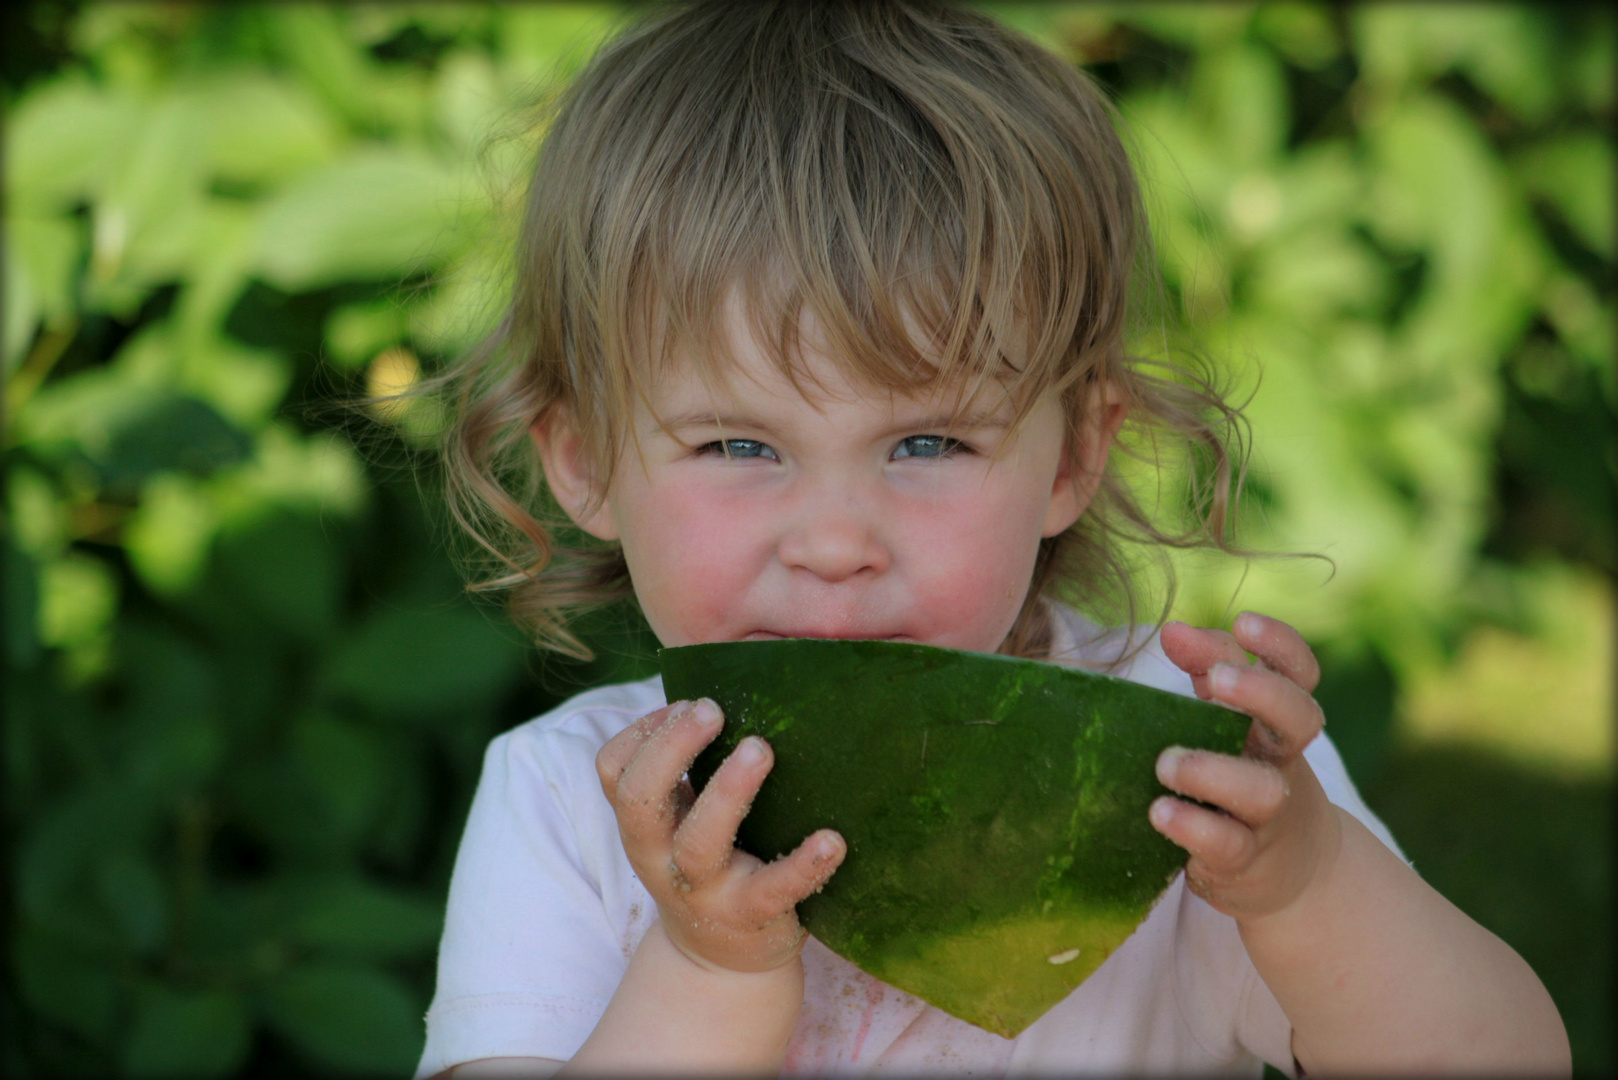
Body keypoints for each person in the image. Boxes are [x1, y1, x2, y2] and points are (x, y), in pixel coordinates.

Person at [415, 1, 1569, 1075]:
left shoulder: (1189, 769)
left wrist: (1306, 885)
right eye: (736, 447)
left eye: (926, 446)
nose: (833, 542)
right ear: (582, 461)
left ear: (1071, 456)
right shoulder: (567, 804)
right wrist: (708, 965)